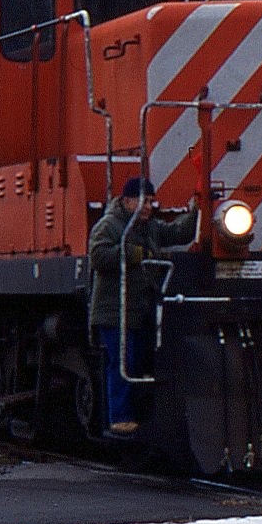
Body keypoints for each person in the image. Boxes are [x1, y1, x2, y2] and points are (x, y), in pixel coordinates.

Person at [88, 176, 197, 435]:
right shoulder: (110, 225)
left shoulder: (149, 228)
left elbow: (177, 232)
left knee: (140, 361)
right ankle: (119, 417)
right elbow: (98, 255)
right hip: (115, 312)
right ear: (126, 201)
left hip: (138, 310)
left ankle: (142, 414)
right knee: (122, 362)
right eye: (141, 200)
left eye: (149, 201)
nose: (147, 206)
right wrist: (136, 255)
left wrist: (198, 211)